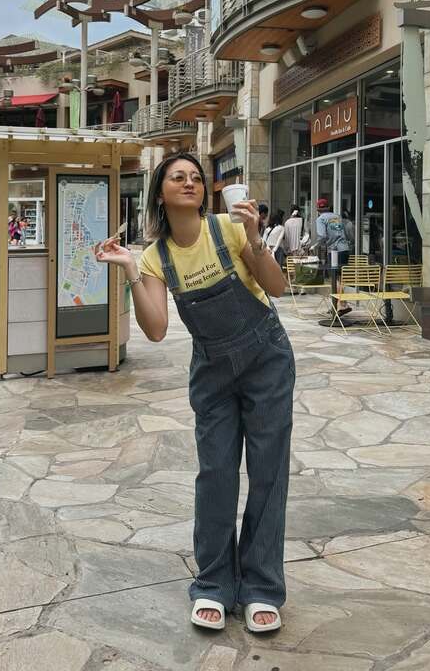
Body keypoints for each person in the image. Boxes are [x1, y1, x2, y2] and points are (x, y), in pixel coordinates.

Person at [95, 153, 294, 634]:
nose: (190, 183)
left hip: (266, 360)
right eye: (177, 177)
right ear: (160, 192)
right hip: (212, 373)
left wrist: (254, 240)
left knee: (268, 473)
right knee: (216, 475)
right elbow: (156, 329)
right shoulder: (155, 257)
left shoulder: (228, 229)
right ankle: (214, 583)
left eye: (196, 178)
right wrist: (129, 269)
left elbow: (277, 288)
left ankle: (262, 586)